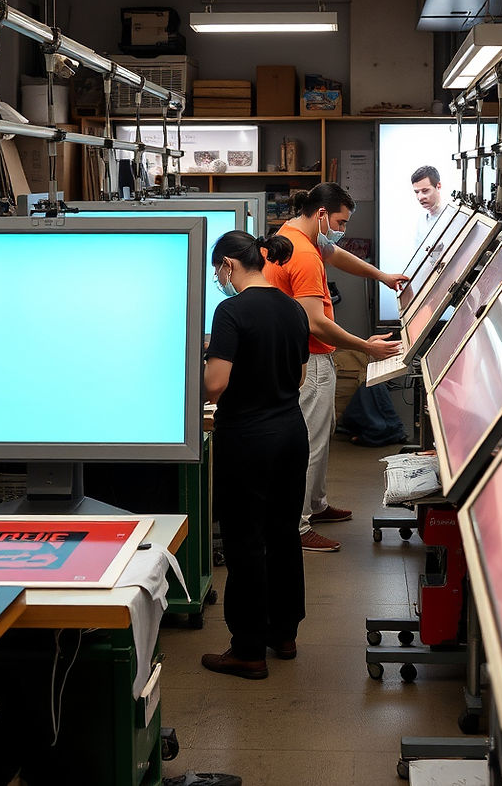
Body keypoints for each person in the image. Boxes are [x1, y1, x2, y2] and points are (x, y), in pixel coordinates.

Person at [264, 183, 407, 552]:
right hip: (308, 360)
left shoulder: (296, 235)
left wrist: (382, 276)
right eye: (341, 222)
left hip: (306, 357)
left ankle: (316, 504)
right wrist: (365, 347)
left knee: (320, 436)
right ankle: (297, 525)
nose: (342, 230)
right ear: (323, 214)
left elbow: (337, 254)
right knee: (308, 445)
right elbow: (315, 321)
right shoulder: (304, 255)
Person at [202, 230, 311, 681]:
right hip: (290, 433)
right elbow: (301, 376)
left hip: (247, 438)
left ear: (229, 263)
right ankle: (283, 634)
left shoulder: (231, 311)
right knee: (284, 533)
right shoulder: (291, 307)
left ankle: (248, 648)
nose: (218, 279)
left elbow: (215, 385)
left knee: (246, 540)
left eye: (216, 270)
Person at [412, 165, 444, 247]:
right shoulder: (422, 219)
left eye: (425, 191)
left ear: (438, 186)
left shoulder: (451, 218)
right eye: (417, 192)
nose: (420, 197)